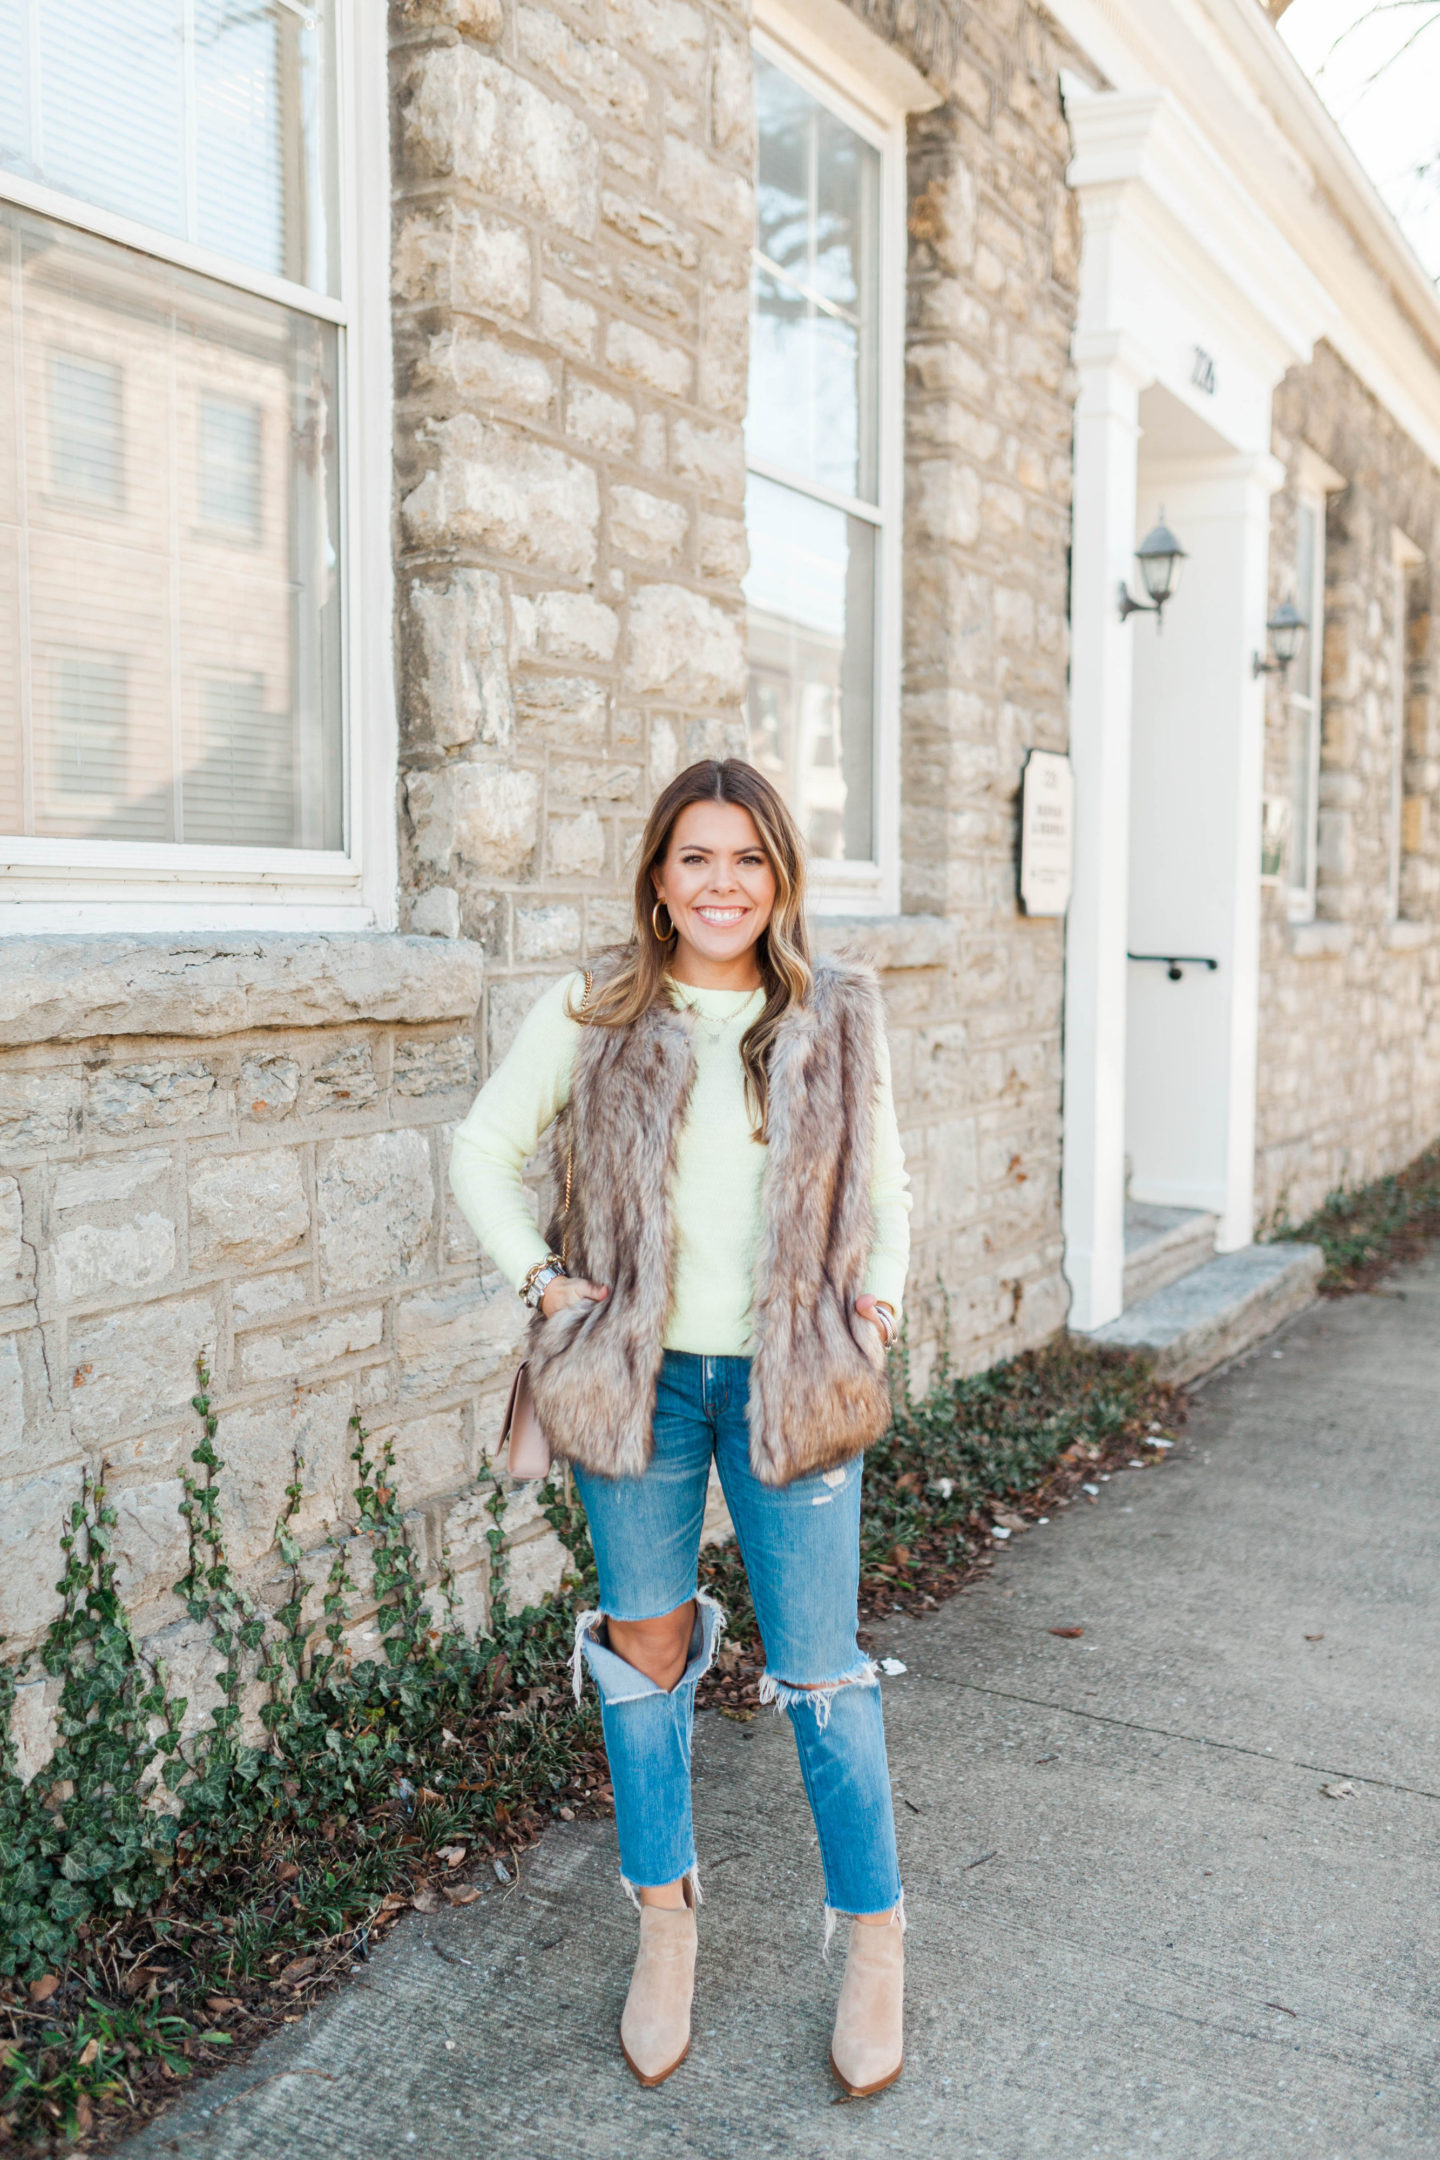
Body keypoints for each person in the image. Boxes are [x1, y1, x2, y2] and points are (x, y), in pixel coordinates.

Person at [449, 757, 911, 2096]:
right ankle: (666, 1929)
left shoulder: (836, 1014)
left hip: (793, 1383)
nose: (723, 884)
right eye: (697, 858)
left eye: (749, 860)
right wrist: (542, 1284)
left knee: (821, 1671)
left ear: (782, 879)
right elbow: (482, 1147)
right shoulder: (596, 1007)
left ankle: (874, 1945)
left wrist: (873, 1314)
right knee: (644, 1655)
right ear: (660, 875)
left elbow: (888, 1186)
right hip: (635, 1382)